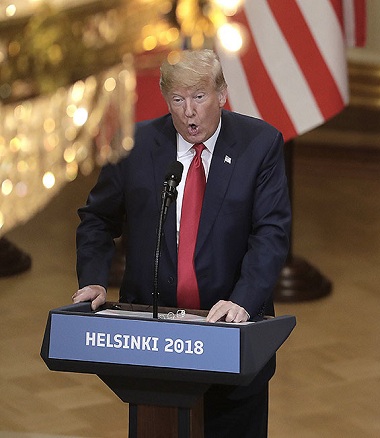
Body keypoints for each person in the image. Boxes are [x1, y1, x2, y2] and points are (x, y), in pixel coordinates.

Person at [73, 49, 291, 437]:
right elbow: (98, 218)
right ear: (165, 99)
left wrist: (243, 300)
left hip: (229, 333)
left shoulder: (259, 144)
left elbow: (271, 233)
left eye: (199, 97)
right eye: (178, 99)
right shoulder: (134, 145)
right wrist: (93, 279)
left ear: (221, 94)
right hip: (153, 340)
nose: (189, 112)